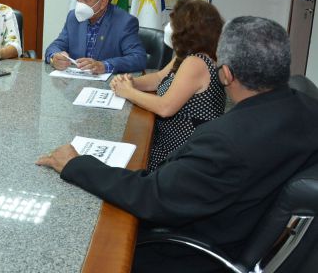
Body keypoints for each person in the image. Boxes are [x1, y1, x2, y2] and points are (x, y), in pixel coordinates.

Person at [36, 16, 318, 272]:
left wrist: (76, 164)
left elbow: (152, 197)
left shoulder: (226, 140)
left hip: (189, 252)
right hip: (245, 228)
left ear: (226, 74)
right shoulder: (308, 107)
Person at [110, 0, 226, 171]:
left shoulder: (196, 62)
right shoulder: (188, 56)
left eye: (173, 23)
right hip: (168, 142)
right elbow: (158, 78)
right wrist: (129, 82)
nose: (169, 27)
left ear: (188, 30)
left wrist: (129, 92)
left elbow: (165, 108)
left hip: (181, 156)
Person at [44, 0, 146, 74]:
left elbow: (138, 58)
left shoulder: (125, 22)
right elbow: (54, 46)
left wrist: (104, 66)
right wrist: (54, 58)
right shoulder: (73, 17)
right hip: (75, 84)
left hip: (108, 86)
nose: (79, 3)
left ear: (103, 3)